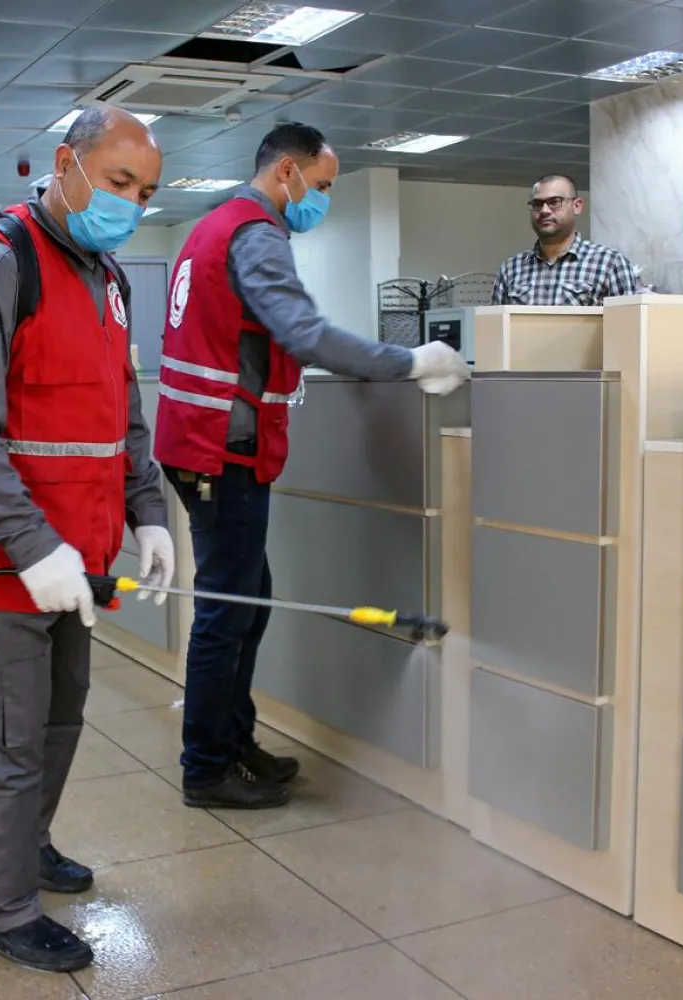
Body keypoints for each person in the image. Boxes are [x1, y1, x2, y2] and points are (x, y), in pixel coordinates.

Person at [0, 105, 174, 974]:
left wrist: (151, 513)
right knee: (1, 735)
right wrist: (31, 545)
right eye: (119, 182)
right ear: (67, 163)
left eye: (146, 191)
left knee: (57, 718)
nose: (130, 203)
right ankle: (4, 906)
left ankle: (27, 846)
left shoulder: (108, 278)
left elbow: (121, 416)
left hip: (78, 554)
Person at [153, 121, 469, 812]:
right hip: (220, 451)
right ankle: (206, 767)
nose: (322, 200)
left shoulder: (215, 227)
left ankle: (234, 742)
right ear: (287, 173)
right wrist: (409, 361)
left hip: (204, 444)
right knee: (227, 612)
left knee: (248, 603)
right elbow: (305, 332)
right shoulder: (255, 233)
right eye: (322, 186)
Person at [491, 173, 642, 305]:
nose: (544, 210)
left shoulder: (609, 263)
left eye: (555, 202)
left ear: (577, 206)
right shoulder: (510, 270)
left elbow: (628, 330)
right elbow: (495, 331)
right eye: (537, 204)